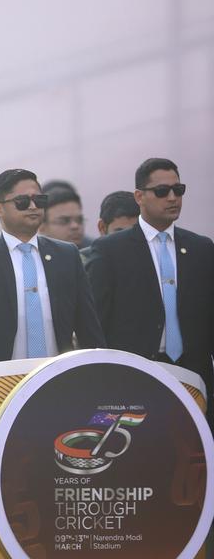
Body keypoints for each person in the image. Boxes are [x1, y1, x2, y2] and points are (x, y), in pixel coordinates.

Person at [85, 157, 214, 424]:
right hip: (133, 377)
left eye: (178, 190)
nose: (172, 198)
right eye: (162, 191)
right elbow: (96, 321)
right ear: (139, 196)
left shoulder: (201, 248)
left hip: (194, 376)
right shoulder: (111, 250)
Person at [0, 168, 105, 371]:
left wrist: (100, 376)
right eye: (23, 201)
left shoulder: (66, 256)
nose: (33, 206)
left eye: (39, 200)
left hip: (58, 379)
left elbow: (88, 328)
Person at [79, 190, 139, 262]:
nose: (128, 241)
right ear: (102, 228)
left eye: (135, 233)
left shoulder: (151, 258)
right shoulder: (81, 262)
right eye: (120, 234)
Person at [40, 183, 87, 248]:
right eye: (64, 221)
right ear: (42, 227)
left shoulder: (93, 254)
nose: (75, 226)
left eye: (79, 220)